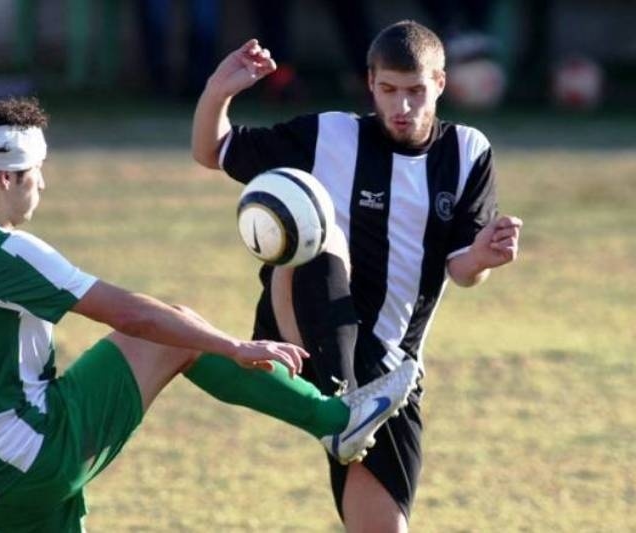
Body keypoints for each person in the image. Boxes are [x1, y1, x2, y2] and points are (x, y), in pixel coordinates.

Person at [0, 97, 419, 531]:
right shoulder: (6, 252)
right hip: (31, 455)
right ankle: (336, 419)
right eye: (34, 173)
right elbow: (133, 316)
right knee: (173, 330)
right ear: (4, 177)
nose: (40, 185)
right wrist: (234, 347)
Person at [192, 20, 522, 532]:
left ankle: (348, 415)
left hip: (391, 371)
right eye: (389, 91)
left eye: (416, 91)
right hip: (302, 333)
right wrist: (219, 92)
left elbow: (461, 270)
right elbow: (212, 150)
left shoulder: (466, 152)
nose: (403, 106)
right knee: (308, 223)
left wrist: (482, 255)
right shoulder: (331, 135)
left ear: (440, 83)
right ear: (370, 84)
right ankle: (339, 400)